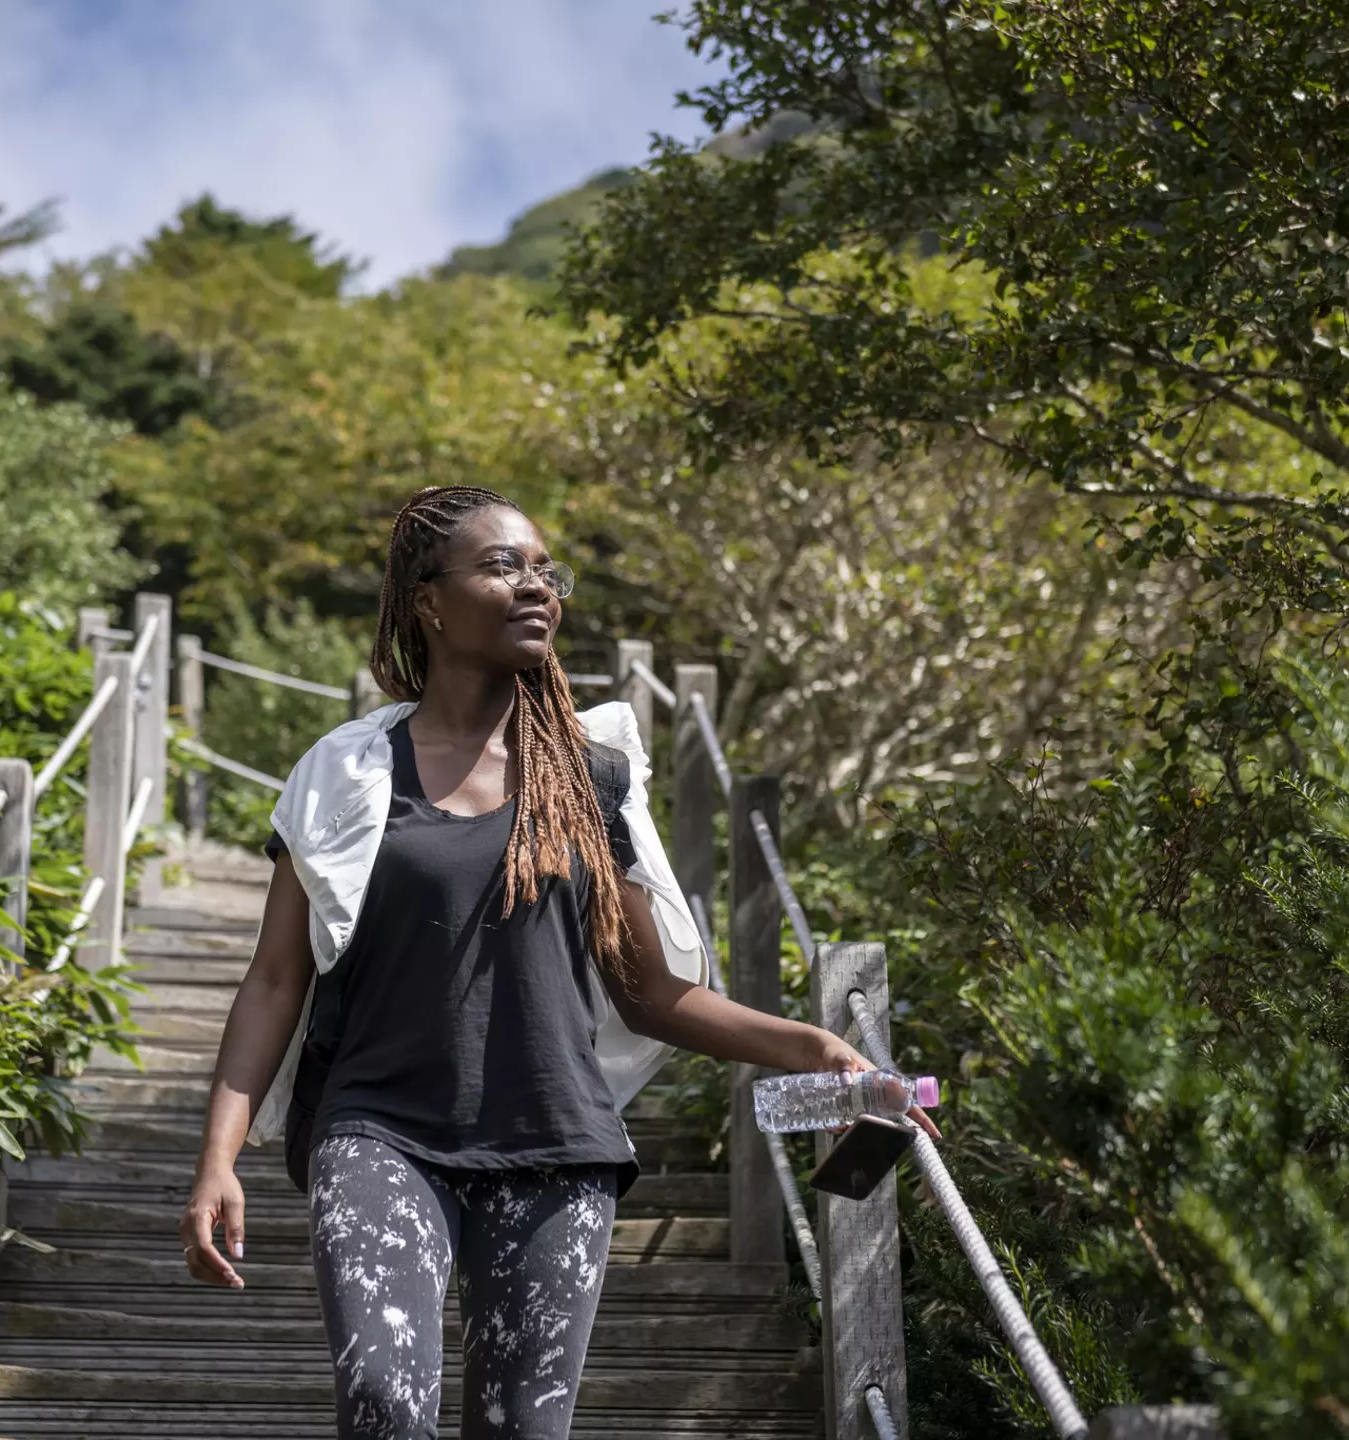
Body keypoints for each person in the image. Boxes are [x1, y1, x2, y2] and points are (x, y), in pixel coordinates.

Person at [181, 485, 938, 1440]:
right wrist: (217, 1159)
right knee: (381, 1403)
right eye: (503, 566)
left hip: (556, 1145)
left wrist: (816, 1048)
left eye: (546, 570)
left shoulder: (588, 776)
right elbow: (275, 980)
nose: (535, 586)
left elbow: (651, 991)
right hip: (378, 1133)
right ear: (426, 598)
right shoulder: (345, 770)